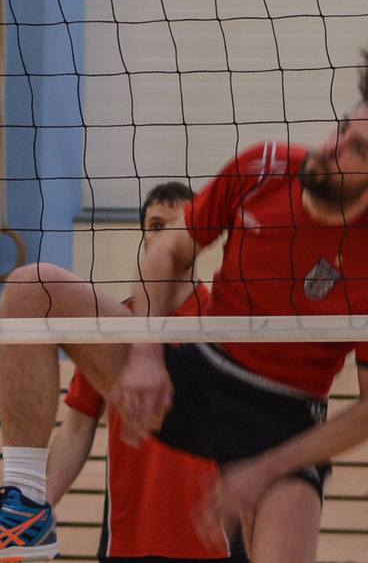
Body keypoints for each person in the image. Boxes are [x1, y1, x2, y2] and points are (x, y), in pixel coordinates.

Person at [0, 44, 368, 563]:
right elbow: (167, 251)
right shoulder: (263, 170)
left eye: (358, 150)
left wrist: (265, 469)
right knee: (30, 287)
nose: (332, 146)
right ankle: (24, 510)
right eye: (342, 129)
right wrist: (147, 353)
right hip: (197, 377)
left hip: (281, 422)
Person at [45, 183, 245, 563]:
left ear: (200, 237)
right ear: (143, 238)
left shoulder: (227, 322)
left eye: (178, 225)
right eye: (155, 226)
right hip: (128, 541)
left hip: (215, 542)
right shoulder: (116, 327)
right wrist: (45, 500)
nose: (165, 236)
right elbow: (78, 424)